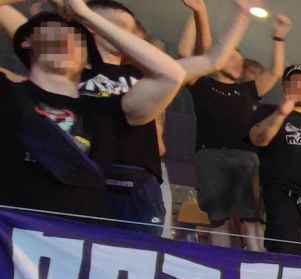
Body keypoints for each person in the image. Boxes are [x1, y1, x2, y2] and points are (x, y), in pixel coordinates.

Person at [0, 0, 184, 220]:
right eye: (55, 31)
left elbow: (171, 75)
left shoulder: (106, 110)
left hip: (80, 233)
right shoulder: (7, 93)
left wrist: (85, 13)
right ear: (27, 40)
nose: (66, 40)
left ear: (87, 60)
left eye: (77, 40)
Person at [185, 10, 292, 248]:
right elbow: (200, 54)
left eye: (239, 60)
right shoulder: (202, 84)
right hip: (210, 154)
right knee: (218, 217)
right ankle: (222, 258)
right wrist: (199, 14)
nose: (237, 62)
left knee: (251, 216)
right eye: (231, 57)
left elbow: (275, 72)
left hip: (245, 157)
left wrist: (279, 37)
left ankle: (256, 257)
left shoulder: (248, 90)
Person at [249, 64, 301, 255]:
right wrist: (281, 113)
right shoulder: (269, 112)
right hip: (284, 199)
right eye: (293, 82)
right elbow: (259, 139)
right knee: (285, 256)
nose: (299, 86)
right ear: (284, 89)